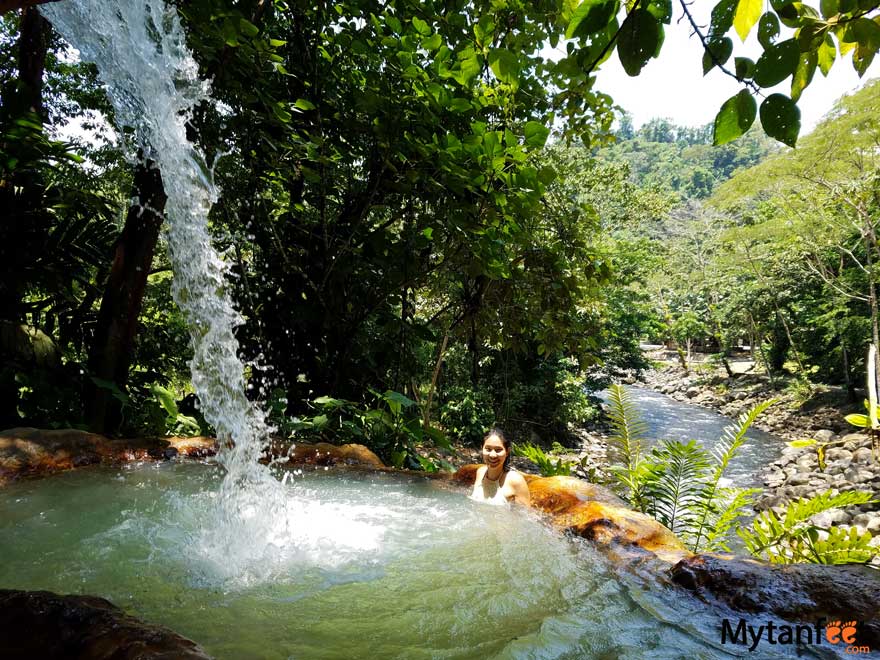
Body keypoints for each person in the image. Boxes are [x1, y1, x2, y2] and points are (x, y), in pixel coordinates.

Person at [470, 428, 530, 506]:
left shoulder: (515, 480)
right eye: (488, 449)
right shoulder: (480, 472)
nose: (492, 455)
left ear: (507, 451)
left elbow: (525, 516)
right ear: (482, 448)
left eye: (498, 450)